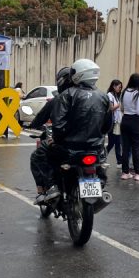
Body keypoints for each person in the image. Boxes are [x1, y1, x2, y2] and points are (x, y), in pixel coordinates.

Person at [50, 59, 112, 195]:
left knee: (45, 155)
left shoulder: (67, 95)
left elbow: (58, 125)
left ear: (78, 74)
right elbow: (107, 126)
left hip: (71, 148)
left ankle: (52, 189)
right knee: (102, 163)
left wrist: (57, 140)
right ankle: (100, 183)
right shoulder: (104, 97)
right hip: (95, 148)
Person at [29, 66, 73, 204]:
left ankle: (47, 189)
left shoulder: (58, 100)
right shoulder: (91, 97)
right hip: (90, 144)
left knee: (37, 156)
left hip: (65, 144)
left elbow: (39, 120)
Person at [120, 73, 139, 180]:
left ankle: (125, 172)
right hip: (135, 121)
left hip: (125, 120)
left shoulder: (124, 92)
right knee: (136, 148)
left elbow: (122, 108)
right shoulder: (138, 94)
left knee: (125, 148)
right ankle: (138, 173)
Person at [105, 79, 123, 168]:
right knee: (113, 142)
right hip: (112, 122)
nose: (120, 89)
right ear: (114, 86)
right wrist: (119, 105)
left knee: (116, 142)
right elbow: (111, 108)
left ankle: (119, 161)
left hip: (117, 122)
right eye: (119, 87)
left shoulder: (116, 95)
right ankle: (104, 158)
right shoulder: (110, 95)